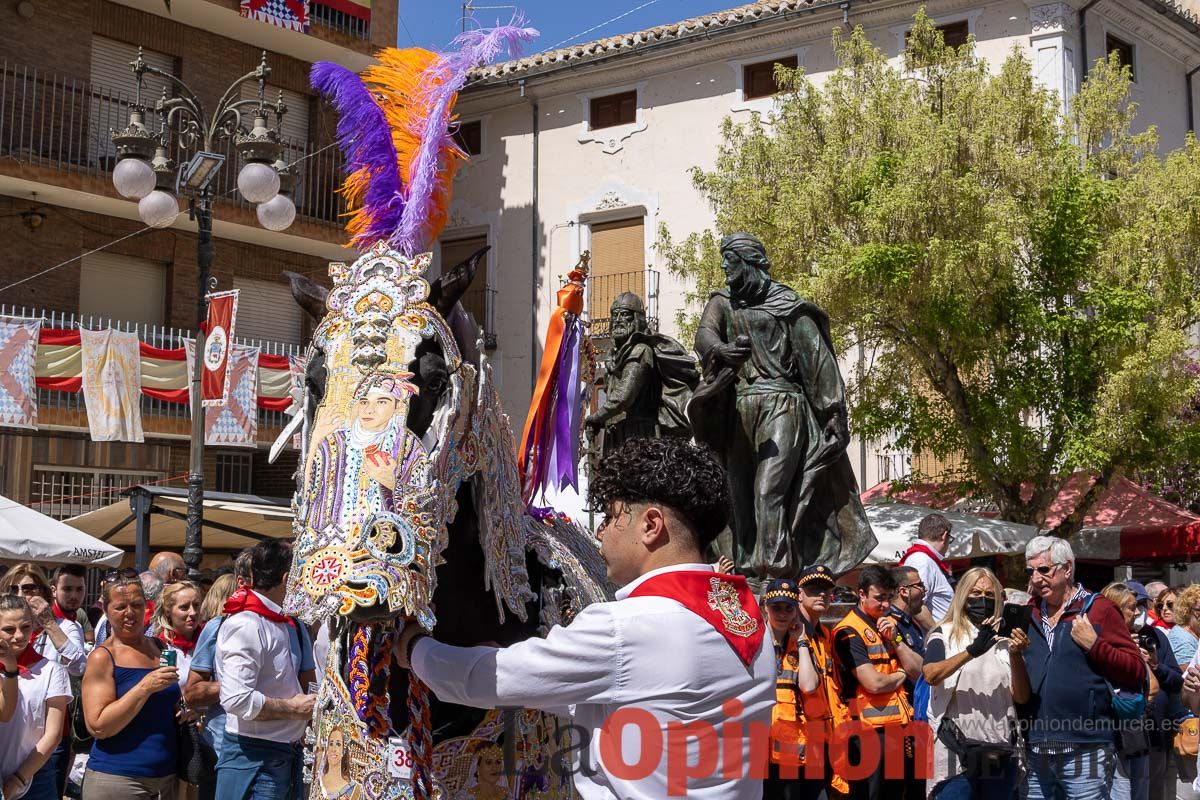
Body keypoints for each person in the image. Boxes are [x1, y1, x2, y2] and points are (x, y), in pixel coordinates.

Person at [393, 436, 777, 798]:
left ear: (651, 525)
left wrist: (414, 648)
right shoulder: (750, 620)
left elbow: (484, 680)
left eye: (610, 517)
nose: (602, 533)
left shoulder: (627, 628)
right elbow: (652, 708)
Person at [689, 232, 876, 579]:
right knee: (738, 493)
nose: (724, 269)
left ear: (749, 262)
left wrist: (833, 412)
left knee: (768, 489)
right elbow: (704, 335)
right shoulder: (722, 301)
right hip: (740, 406)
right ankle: (745, 572)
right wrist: (719, 350)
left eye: (730, 261)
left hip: (784, 405)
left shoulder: (787, 304)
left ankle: (775, 573)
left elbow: (817, 360)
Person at [1022, 536, 1146, 800]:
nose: (1035, 578)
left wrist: (1094, 645)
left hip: (1086, 747)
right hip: (1036, 748)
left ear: (1067, 568)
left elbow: (1136, 670)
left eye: (1043, 569)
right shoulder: (1027, 613)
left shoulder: (1099, 609)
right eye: (1030, 570)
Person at [214, 539, 316, 800]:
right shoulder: (248, 624)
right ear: (286, 578)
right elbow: (237, 699)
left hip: (279, 756)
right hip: (256, 762)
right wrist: (294, 709)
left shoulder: (279, 621)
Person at [922, 567, 1030, 799]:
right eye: (976, 593)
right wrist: (972, 650)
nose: (983, 599)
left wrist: (1016, 654)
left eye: (990, 595)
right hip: (956, 754)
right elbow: (931, 674)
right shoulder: (945, 633)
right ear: (963, 596)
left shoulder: (1004, 638)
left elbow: (1021, 697)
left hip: (1001, 751)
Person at [81, 574, 181, 799]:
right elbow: (98, 726)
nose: (130, 612)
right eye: (120, 607)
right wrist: (144, 687)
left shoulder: (159, 647)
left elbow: (164, 704)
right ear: (106, 611)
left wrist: (183, 711)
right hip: (117, 779)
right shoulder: (102, 657)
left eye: (136, 605)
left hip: (166, 778)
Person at [831, 564, 924, 800]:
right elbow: (873, 683)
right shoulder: (848, 631)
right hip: (866, 732)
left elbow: (919, 669)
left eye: (888, 598)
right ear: (861, 594)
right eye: (878, 598)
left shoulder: (889, 625)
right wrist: (902, 674)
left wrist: (897, 640)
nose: (884, 604)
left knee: (895, 793)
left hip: (897, 727)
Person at [584, 291, 699, 459]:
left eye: (625, 315)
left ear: (637, 319)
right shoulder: (615, 356)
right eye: (614, 316)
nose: (618, 320)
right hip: (617, 432)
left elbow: (624, 396)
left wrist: (595, 417)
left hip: (638, 435)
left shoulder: (640, 351)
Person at [0, 594, 71, 800]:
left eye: (25, 627)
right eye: (9, 630)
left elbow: (53, 734)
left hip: (35, 775)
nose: (19, 635)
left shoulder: (51, 670)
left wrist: (18, 779)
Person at [1121, 581, 1187, 800]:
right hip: (1123, 737)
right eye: (1133, 605)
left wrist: (1157, 665)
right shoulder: (1111, 636)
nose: (1138, 611)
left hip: (1157, 733)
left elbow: (1177, 680)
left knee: (1155, 791)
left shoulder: (1157, 636)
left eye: (1141, 604)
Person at [761, 577, 822, 800]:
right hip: (758, 745)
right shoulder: (755, 644)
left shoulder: (800, 646)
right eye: (776, 607)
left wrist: (802, 641)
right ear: (765, 607)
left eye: (788, 607)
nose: (782, 613)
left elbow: (808, 685)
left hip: (787, 747)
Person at [184, 572, 241, 800]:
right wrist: (241, 684)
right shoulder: (215, 628)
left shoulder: (291, 626)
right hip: (219, 746)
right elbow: (193, 691)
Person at [47, 563, 90, 797]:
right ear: (53, 589)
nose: (74, 596)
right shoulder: (45, 622)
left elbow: (78, 667)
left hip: (60, 721)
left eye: (79, 589)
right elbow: (79, 665)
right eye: (67, 589)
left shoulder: (74, 622)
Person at [898, 514, 955, 631]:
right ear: (944, 536)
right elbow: (915, 604)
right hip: (938, 641)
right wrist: (938, 635)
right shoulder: (922, 560)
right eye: (950, 540)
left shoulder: (924, 559)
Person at [149, 581, 203, 690]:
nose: (193, 612)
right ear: (168, 611)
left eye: (196, 605)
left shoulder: (209, 640)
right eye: (184, 607)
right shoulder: (158, 647)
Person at [887, 565, 928, 699]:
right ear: (904, 591)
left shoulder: (910, 621)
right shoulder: (889, 622)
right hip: (904, 704)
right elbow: (917, 670)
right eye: (920, 585)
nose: (924, 589)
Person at [1170, 585, 1200, 667]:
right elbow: (1188, 674)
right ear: (1186, 611)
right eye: (1199, 610)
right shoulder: (1182, 638)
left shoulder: (1195, 632)